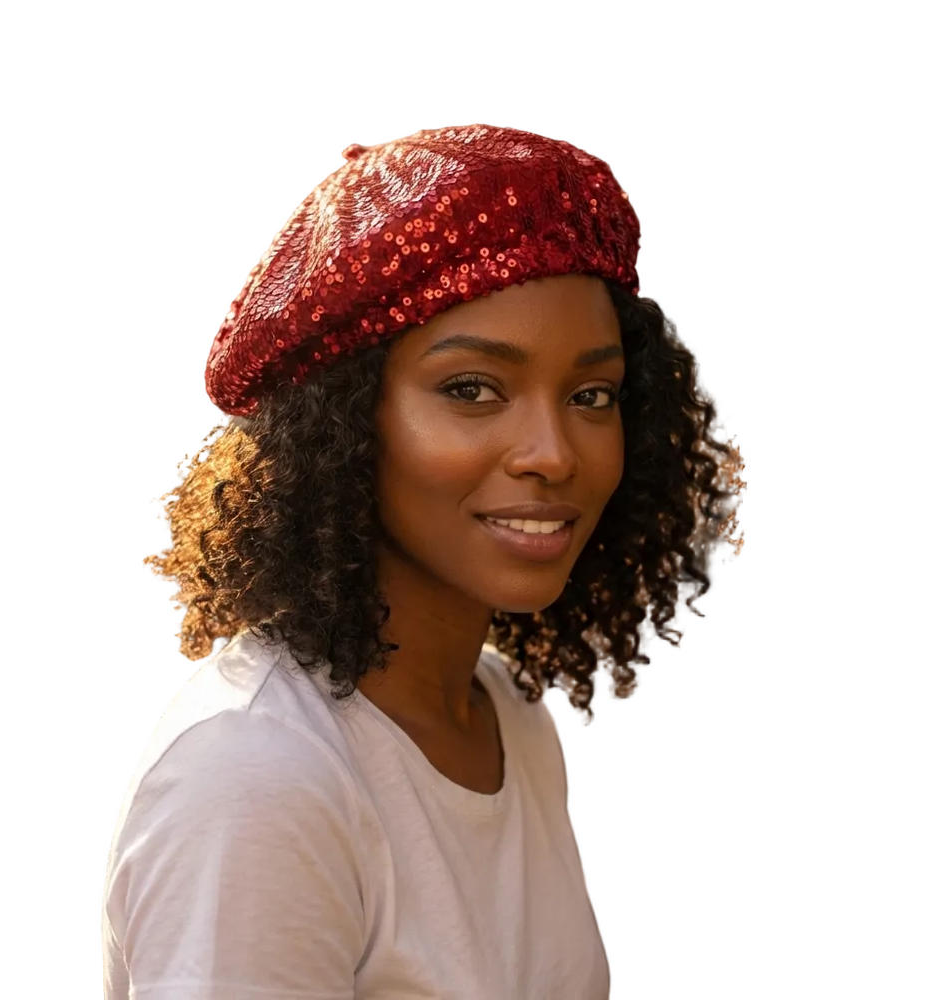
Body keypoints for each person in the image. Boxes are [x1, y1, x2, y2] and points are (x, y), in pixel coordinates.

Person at [101, 123, 745, 999]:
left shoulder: (510, 720)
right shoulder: (258, 775)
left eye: (592, 395)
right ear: (343, 424)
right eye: (472, 389)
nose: (553, 452)